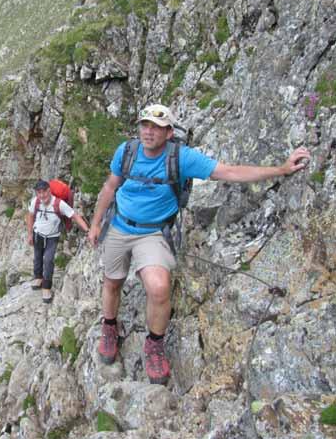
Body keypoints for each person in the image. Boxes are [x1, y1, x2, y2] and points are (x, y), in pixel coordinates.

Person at [86, 103, 310, 385]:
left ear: (169, 132)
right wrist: (95, 224)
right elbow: (110, 186)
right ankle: (109, 327)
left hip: (153, 233)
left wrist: (280, 169)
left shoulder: (181, 158)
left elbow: (229, 172)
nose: (148, 131)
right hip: (119, 225)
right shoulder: (127, 151)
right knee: (112, 282)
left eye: (156, 127)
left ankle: (154, 344)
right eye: (145, 124)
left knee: (158, 287)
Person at [26, 180, 90, 303]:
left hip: (52, 236)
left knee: (48, 260)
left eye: (44, 192)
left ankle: (46, 287)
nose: (42, 196)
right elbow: (30, 215)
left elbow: (74, 216)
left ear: (49, 191)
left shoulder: (59, 204)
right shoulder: (36, 201)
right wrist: (29, 234)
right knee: (37, 257)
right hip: (37, 233)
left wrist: (87, 230)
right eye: (39, 193)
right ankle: (38, 277)